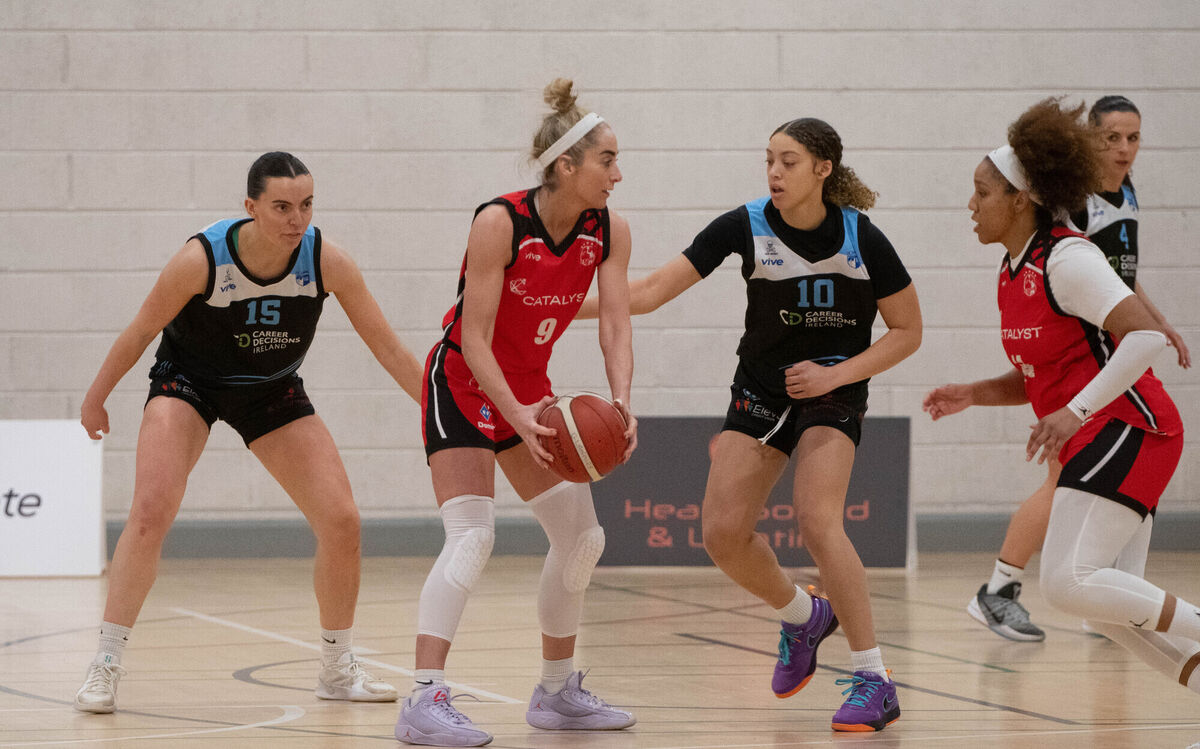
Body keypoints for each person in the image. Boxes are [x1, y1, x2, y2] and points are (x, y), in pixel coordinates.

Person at [579, 117, 920, 732]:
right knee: (722, 535)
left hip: (832, 391)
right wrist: (544, 306)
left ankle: (874, 678)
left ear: (823, 170)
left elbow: (908, 332)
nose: (774, 173)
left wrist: (835, 377)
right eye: (769, 160)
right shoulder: (745, 224)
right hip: (761, 390)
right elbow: (652, 289)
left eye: (788, 161)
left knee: (817, 518)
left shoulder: (862, 238)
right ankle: (803, 616)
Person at [73, 152, 424, 713]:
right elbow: (142, 328)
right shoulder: (201, 260)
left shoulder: (326, 260)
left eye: (306, 205)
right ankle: (106, 663)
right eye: (282, 206)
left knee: (342, 521)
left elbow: (387, 347)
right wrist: (95, 398)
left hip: (270, 390)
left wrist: (438, 409)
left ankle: (337, 667)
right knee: (150, 511)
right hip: (189, 382)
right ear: (251, 207)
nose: (296, 219)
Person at [924, 98, 1200, 695]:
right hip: (1101, 432)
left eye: (982, 193)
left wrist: (1074, 413)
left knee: (1067, 583)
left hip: (1134, 426)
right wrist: (973, 393)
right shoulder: (1011, 270)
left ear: (1021, 199)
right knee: (1109, 611)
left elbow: (1145, 337)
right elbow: (1038, 376)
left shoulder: (1068, 256)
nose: (971, 205)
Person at [392, 79, 637, 747]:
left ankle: (556, 692)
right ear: (567, 166)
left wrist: (620, 399)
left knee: (582, 539)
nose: (619, 173)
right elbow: (473, 337)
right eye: (607, 159)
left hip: (531, 390)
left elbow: (616, 322)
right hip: (465, 385)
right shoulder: (499, 222)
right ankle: (422, 698)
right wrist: (516, 416)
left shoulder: (609, 230)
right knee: (473, 535)